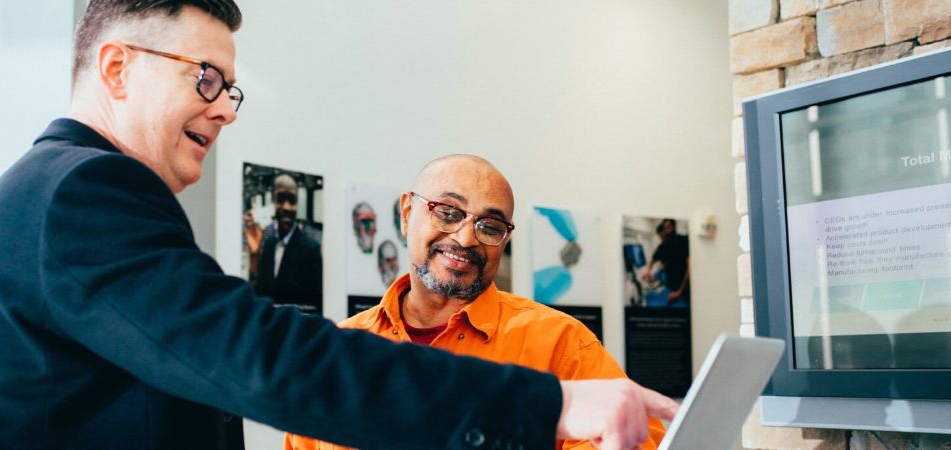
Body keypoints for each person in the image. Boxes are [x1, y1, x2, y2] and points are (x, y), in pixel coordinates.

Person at [0, 1, 677, 449]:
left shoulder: (58, 191)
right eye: (205, 77)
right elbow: (258, 354)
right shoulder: (82, 191)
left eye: (230, 89)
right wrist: (548, 402)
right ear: (116, 68)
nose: (224, 108)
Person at [284, 155, 667, 450]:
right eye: (448, 213)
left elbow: (639, 441)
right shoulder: (337, 356)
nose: (466, 238)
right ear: (407, 214)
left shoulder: (560, 345)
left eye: (490, 226)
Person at [247, 173, 323, 312]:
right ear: (273, 201)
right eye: (281, 199)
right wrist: (254, 256)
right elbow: (258, 297)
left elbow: (316, 307)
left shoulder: (311, 249)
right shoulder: (268, 245)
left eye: (292, 200)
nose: (286, 207)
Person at [643, 219, 690, 306]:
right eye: (665, 228)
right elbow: (654, 259)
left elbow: (689, 268)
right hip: (670, 286)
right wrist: (647, 271)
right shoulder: (663, 246)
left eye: (669, 227)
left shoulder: (683, 240)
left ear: (674, 227)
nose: (662, 237)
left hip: (684, 288)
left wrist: (679, 292)